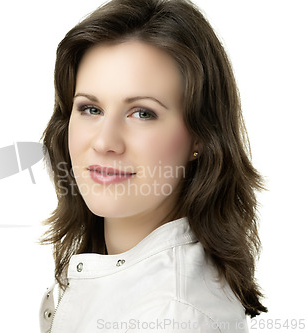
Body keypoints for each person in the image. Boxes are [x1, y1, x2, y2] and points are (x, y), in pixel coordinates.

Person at [38, 0, 267, 331]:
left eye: (142, 113)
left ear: (200, 137)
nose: (104, 142)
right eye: (90, 108)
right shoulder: (111, 266)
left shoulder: (171, 317)